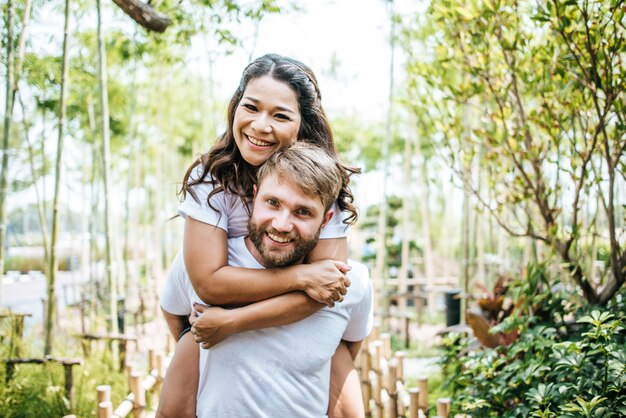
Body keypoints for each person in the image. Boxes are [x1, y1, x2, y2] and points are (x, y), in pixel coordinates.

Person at [156, 54, 364, 418]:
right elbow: (208, 284)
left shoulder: (325, 184)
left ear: (303, 125)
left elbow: (327, 288)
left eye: (280, 115)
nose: (261, 126)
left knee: (334, 355)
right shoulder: (211, 179)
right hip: (215, 308)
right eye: (251, 107)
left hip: (289, 322)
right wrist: (300, 276)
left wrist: (233, 323)